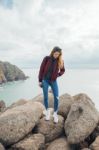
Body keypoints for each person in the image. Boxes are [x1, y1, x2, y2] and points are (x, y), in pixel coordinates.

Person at [38, 46, 65, 123]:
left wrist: (58, 74)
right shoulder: (46, 59)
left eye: (58, 54)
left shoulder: (60, 61)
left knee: (57, 97)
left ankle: (55, 113)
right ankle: (47, 112)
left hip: (53, 81)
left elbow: (63, 70)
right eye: (55, 54)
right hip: (45, 80)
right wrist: (40, 80)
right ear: (53, 52)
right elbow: (41, 69)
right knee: (46, 96)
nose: (56, 55)